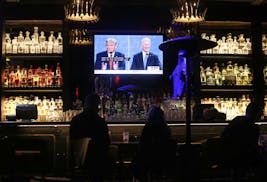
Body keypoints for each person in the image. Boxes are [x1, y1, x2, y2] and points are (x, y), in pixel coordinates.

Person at [70, 93, 111, 181]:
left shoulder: (75, 120)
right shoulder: (100, 122)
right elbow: (106, 143)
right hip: (97, 163)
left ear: (85, 105)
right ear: (97, 106)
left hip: (77, 161)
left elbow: (72, 141)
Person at [133, 106, 176, 181]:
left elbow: (143, 144)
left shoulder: (148, 127)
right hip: (164, 159)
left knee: (138, 158)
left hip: (149, 159)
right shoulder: (165, 128)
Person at [220, 102, 263, 168]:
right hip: (243, 159)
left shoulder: (237, 119)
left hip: (226, 157)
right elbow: (253, 147)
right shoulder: (253, 128)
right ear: (258, 114)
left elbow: (223, 135)